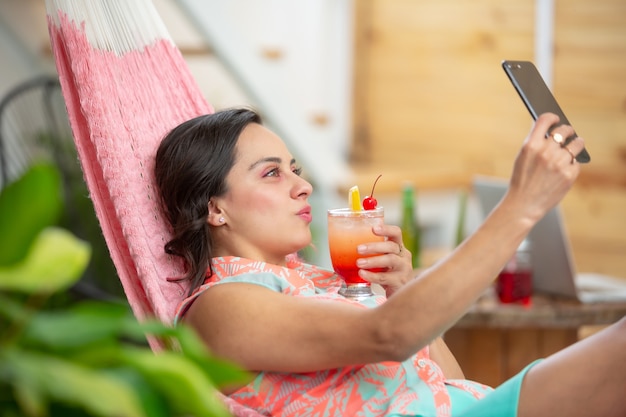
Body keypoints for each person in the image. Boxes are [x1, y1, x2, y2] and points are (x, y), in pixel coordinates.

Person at [154, 107, 625, 417]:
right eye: (272, 173)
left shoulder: (325, 282)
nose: (302, 186)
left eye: (295, 169)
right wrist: (520, 207)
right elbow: (389, 335)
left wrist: (402, 289)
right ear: (214, 208)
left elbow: (447, 384)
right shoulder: (221, 305)